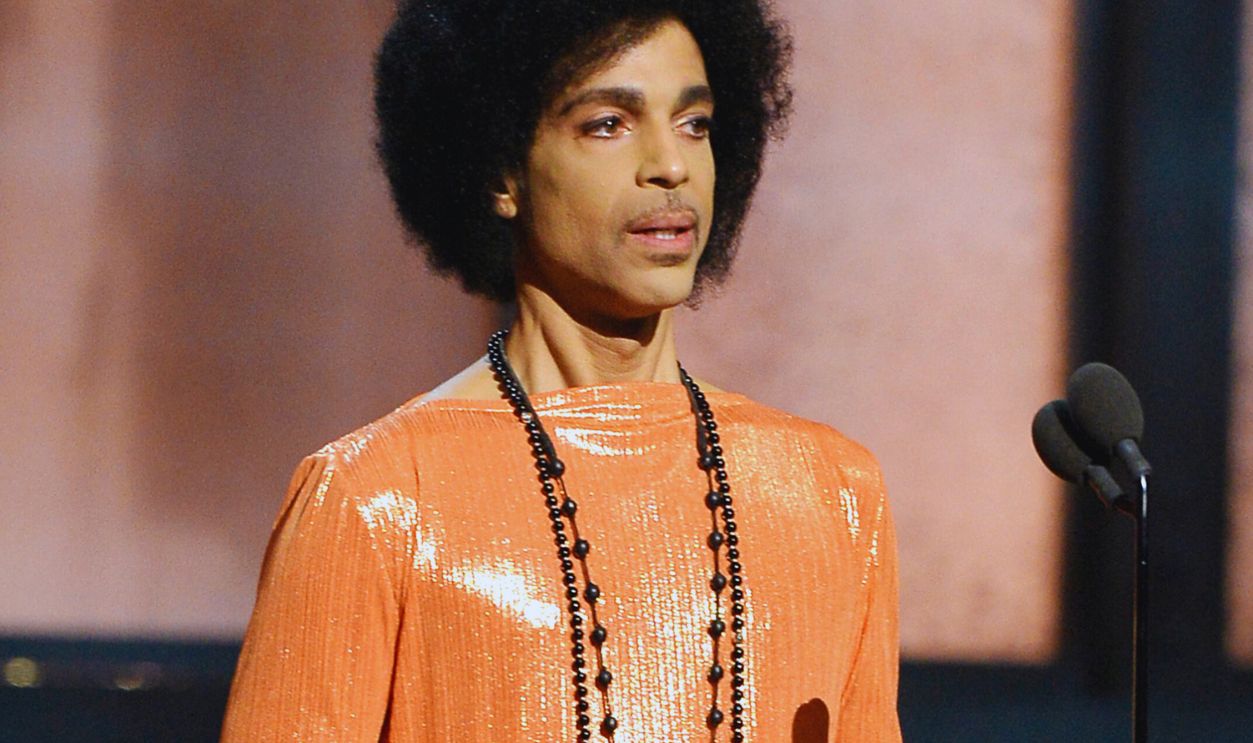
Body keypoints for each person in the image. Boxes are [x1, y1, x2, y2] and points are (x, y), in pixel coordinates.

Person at [221, 1, 901, 740]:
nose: (670, 165)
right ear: (501, 172)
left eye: (694, 123)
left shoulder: (833, 491)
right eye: (608, 124)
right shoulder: (378, 497)